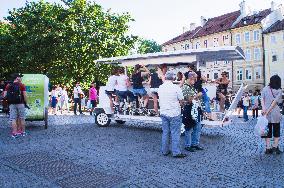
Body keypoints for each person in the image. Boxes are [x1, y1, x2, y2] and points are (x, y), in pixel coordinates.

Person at [158, 71, 186, 158]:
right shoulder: (176, 88)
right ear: (173, 78)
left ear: (165, 78)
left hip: (163, 112)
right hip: (174, 113)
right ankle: (176, 152)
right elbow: (181, 101)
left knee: (165, 132)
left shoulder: (160, 87)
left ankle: (165, 151)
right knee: (175, 133)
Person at [181, 72, 204, 152]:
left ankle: (195, 144)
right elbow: (189, 100)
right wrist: (198, 95)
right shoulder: (185, 87)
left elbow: (195, 99)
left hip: (196, 109)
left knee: (197, 128)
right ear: (190, 78)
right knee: (189, 128)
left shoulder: (191, 87)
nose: (196, 80)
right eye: (195, 79)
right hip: (189, 110)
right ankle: (188, 145)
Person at [261, 75, 283, 155]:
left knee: (266, 131)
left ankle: (268, 148)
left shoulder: (265, 88)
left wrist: (264, 109)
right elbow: (274, 103)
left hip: (265, 113)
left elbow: (262, 99)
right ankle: (275, 147)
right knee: (276, 130)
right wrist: (267, 111)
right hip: (275, 113)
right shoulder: (279, 90)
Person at [3, 73, 28, 138]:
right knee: (22, 118)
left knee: (13, 119)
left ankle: (15, 133)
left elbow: (4, 96)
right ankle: (23, 132)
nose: (21, 78)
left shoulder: (8, 85)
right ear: (17, 78)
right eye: (20, 77)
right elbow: (25, 95)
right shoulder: (21, 85)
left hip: (12, 104)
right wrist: (26, 103)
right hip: (21, 104)